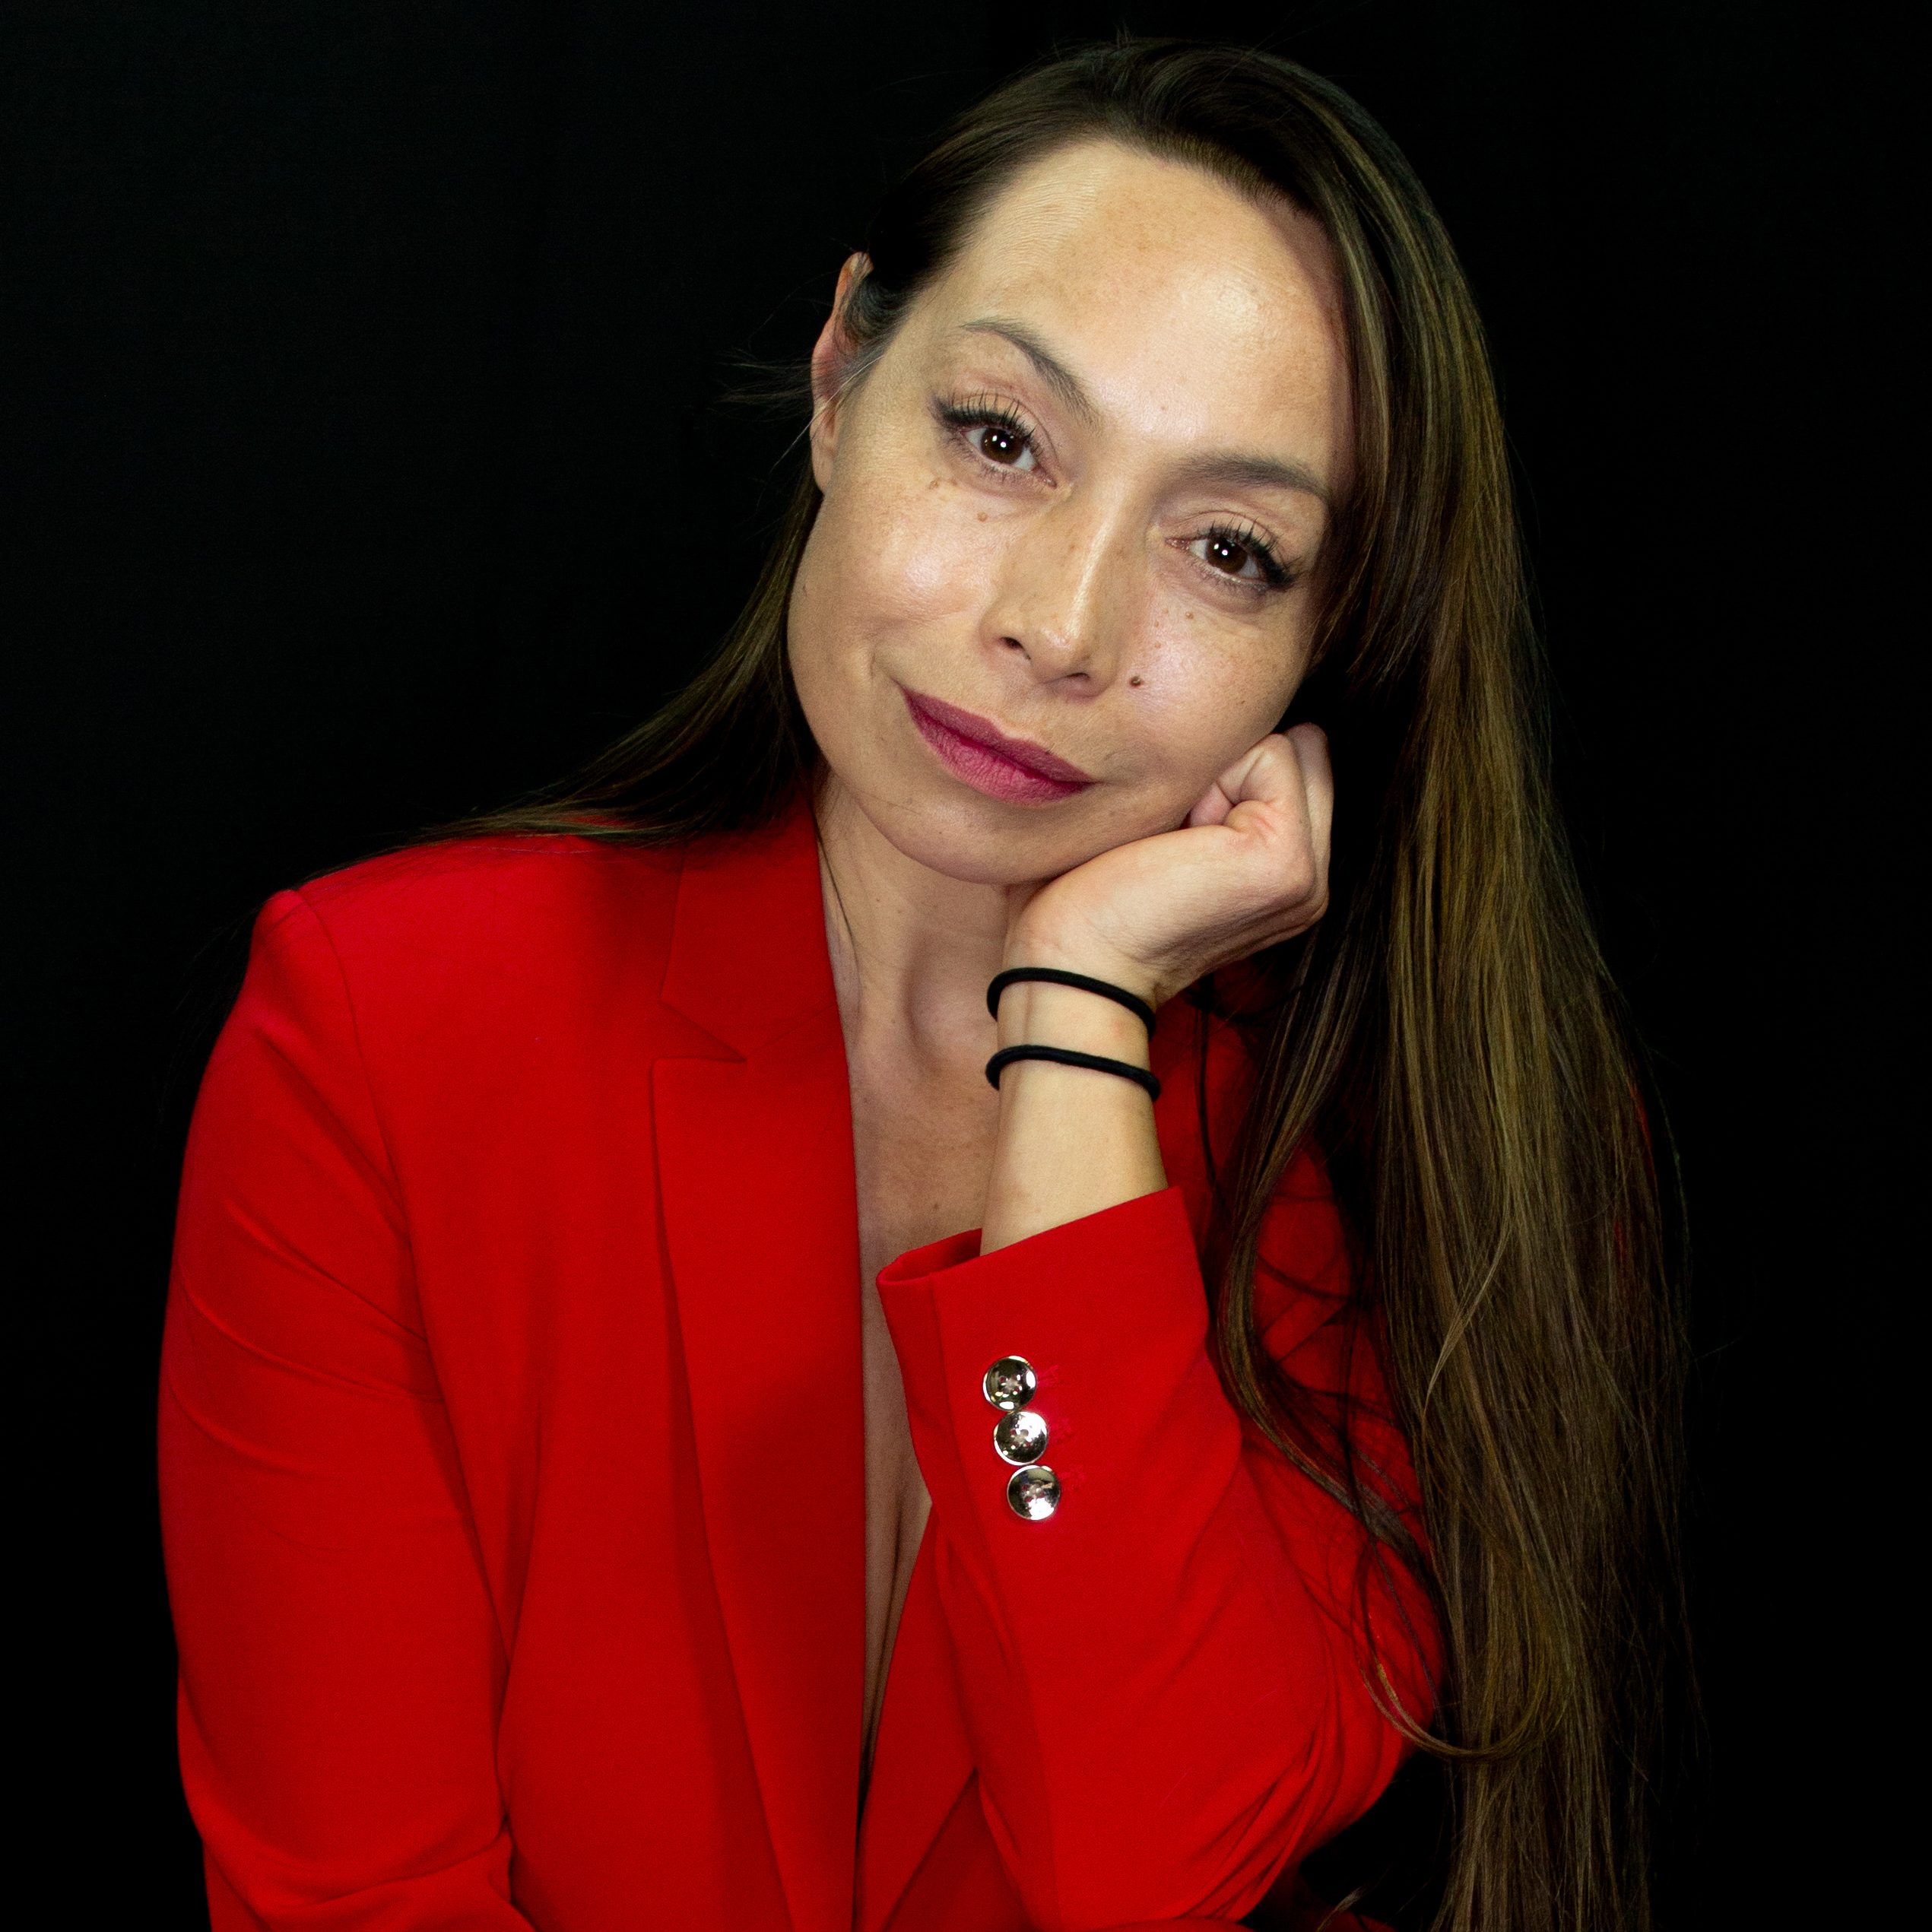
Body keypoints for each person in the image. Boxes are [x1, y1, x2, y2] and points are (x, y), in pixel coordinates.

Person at [159, 39, 1683, 1932]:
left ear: (1333, 633)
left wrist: (1076, 1015)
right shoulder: (381, 1030)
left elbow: (1143, 1862)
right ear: (836, 378)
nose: (1058, 619)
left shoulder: (1453, 1157)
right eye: (998, 437)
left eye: (1226, 549)